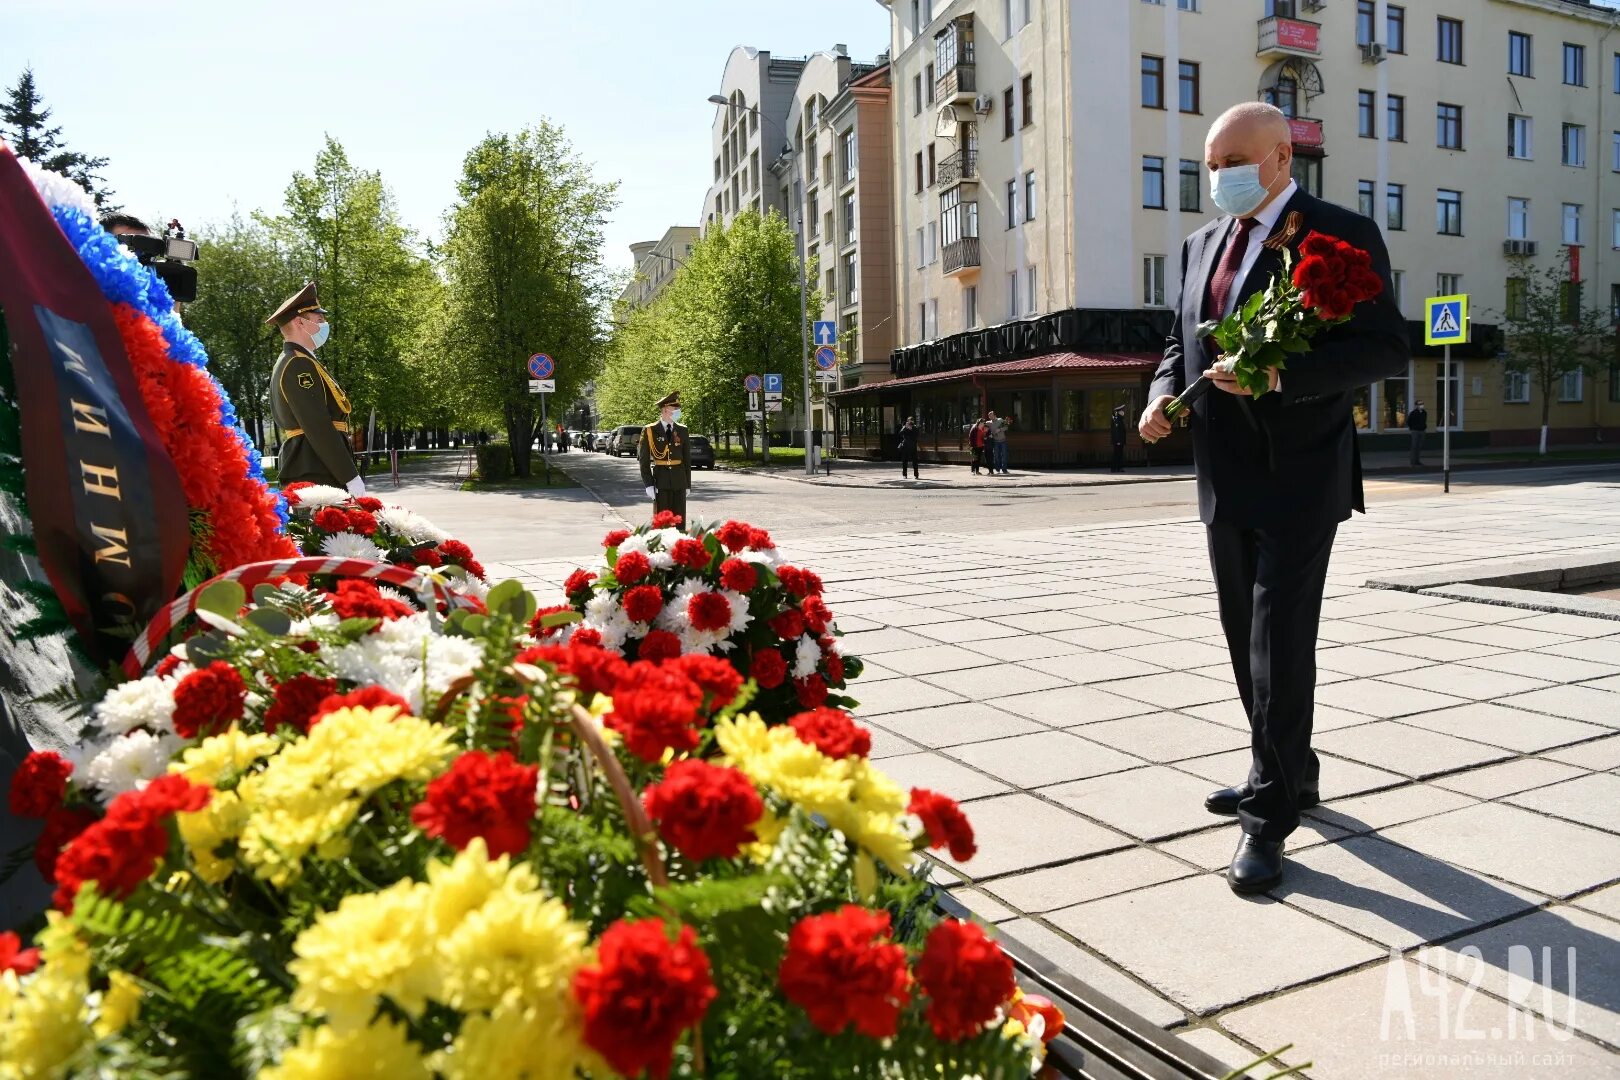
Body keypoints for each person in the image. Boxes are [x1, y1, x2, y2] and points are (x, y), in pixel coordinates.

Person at [1139, 102, 1407, 894]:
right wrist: (1163, 396)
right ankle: (1289, 770)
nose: (1217, 178)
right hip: (1222, 476)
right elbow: (1175, 340)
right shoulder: (1199, 245)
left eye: (1233, 163)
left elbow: (1385, 344)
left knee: (1276, 647)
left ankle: (1269, 819)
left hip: (1299, 474)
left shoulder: (1338, 234)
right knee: (1239, 640)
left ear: (1282, 159)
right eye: (1210, 165)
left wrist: (1283, 376)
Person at [267, 282, 364, 496]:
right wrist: (349, 475)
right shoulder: (298, 364)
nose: (324, 324)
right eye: (319, 320)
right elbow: (317, 425)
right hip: (315, 467)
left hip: (314, 465)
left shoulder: (297, 360)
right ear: (300, 322)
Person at [639, 390, 691, 524]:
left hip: (679, 480)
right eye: (675, 408)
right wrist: (648, 484)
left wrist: (688, 484)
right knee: (662, 522)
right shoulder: (650, 430)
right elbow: (644, 461)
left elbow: (686, 460)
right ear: (665, 409)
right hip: (660, 481)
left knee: (679, 521)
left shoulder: (682, 430)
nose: (677, 412)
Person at [1406, 400, 1428, 467]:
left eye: (1422, 404)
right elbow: (1408, 421)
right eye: (1420, 404)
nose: (1421, 405)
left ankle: (1417, 461)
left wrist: (1424, 427)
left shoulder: (1424, 413)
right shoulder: (1413, 413)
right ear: (1416, 405)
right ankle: (1413, 462)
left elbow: (1424, 421)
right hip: (1415, 431)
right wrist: (1412, 428)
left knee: (1419, 446)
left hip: (1422, 431)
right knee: (1414, 446)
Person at [1109, 405, 1128, 473]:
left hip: (1120, 440)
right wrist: (1118, 441)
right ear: (1119, 412)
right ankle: (1114, 468)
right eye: (1122, 411)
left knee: (1119, 454)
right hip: (1118, 441)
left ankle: (1119, 468)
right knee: (1116, 454)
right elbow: (1116, 431)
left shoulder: (1119, 419)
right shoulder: (1117, 419)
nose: (1123, 412)